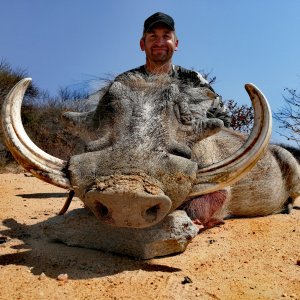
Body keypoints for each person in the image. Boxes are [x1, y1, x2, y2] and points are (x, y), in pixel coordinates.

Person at [115, 12, 231, 127]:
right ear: (142, 44)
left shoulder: (194, 79)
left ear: (176, 44)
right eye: (153, 36)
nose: (160, 43)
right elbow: (102, 124)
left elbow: (224, 118)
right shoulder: (123, 82)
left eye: (166, 36)